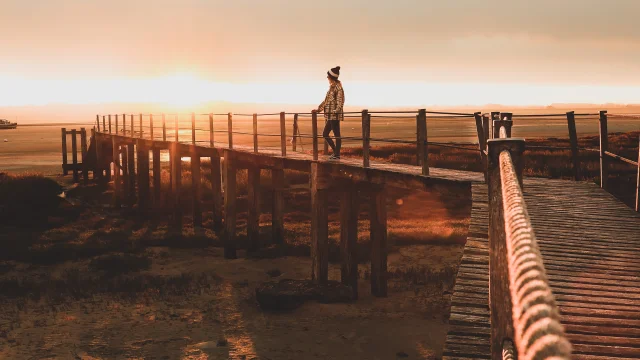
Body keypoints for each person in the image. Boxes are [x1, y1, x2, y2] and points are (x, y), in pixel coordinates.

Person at [317, 66, 345, 160]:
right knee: (325, 134)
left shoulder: (338, 88)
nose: (327, 78)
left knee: (337, 135)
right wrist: (318, 109)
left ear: (331, 77)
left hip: (334, 116)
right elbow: (326, 101)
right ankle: (335, 152)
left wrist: (335, 111)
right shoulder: (331, 88)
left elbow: (340, 101)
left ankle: (337, 154)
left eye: (328, 76)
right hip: (330, 116)